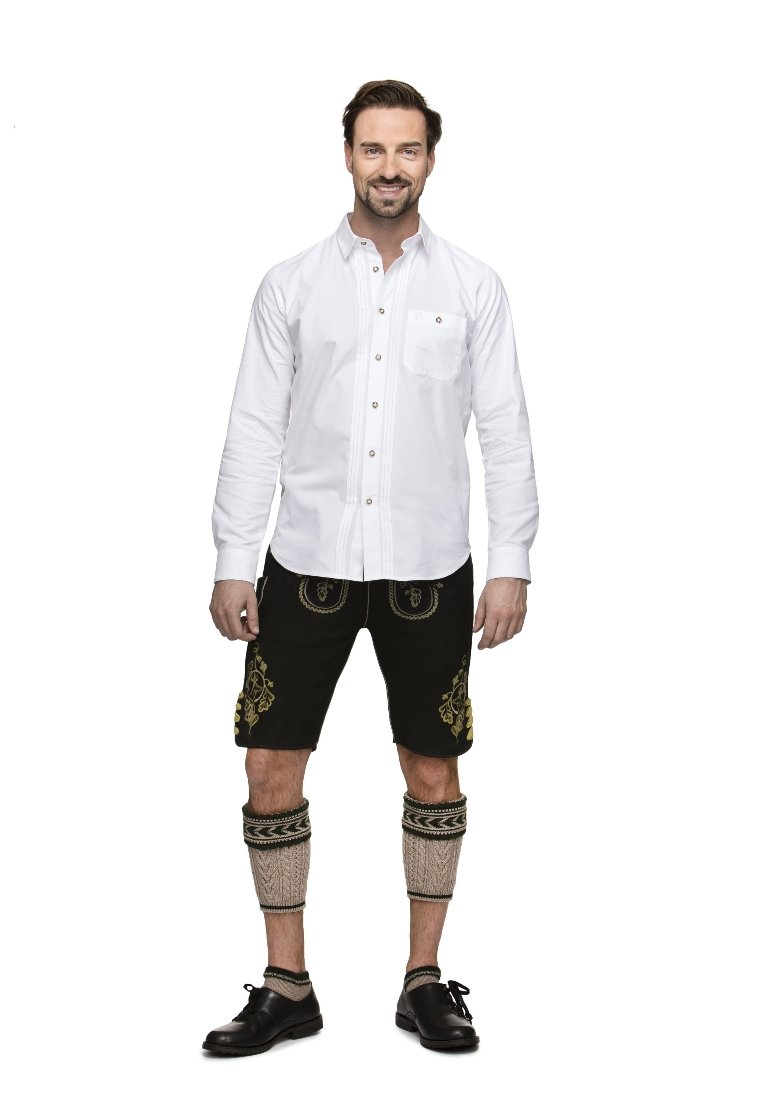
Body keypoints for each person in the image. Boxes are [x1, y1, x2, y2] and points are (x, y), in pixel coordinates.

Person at [203, 79, 539, 1057]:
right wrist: (233, 557)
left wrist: (512, 559)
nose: (390, 168)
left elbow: (505, 428)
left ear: (431, 158)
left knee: (433, 766)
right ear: (347, 154)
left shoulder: (474, 286)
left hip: (430, 567)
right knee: (269, 763)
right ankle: (286, 984)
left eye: (408, 150)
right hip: (303, 560)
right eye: (373, 149)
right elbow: (254, 425)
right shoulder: (291, 285)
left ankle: (423, 979)